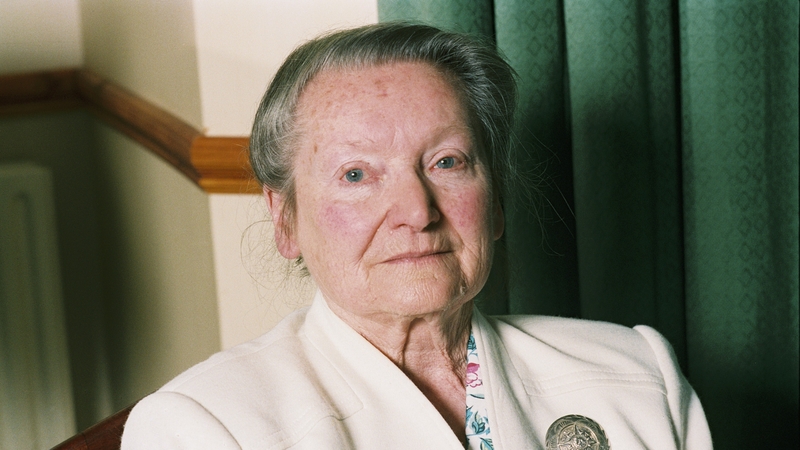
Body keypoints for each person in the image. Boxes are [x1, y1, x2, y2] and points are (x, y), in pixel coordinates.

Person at [122, 23, 712, 449]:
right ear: (286, 221)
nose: (416, 211)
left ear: (496, 201)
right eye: (356, 174)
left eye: (447, 162)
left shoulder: (637, 373)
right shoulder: (205, 427)